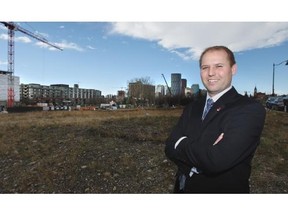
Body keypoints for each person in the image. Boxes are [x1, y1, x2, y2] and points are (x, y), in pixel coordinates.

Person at [165, 45, 266, 193]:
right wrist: (202, 151)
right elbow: (169, 147)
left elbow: (215, 160)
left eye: (219, 66)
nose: (211, 73)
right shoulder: (192, 107)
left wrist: (181, 143)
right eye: (205, 67)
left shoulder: (249, 109)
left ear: (233, 69)